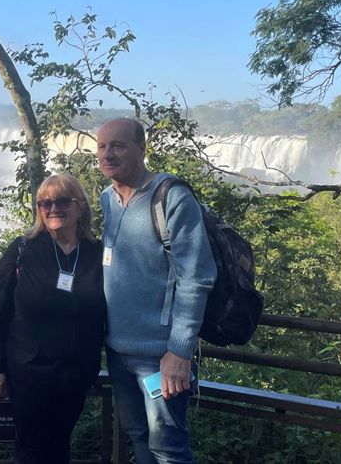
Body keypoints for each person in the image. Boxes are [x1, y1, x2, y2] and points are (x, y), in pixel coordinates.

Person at [96, 118, 216, 464]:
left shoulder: (171, 196)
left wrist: (179, 352)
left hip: (160, 357)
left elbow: (196, 277)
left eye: (117, 145)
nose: (107, 154)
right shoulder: (108, 198)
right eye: (102, 147)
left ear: (141, 149)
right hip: (118, 351)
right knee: (138, 438)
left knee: (169, 448)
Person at [0, 173, 106, 464]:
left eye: (62, 201)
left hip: (77, 373)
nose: (52, 208)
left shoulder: (97, 253)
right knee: (31, 447)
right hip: (29, 371)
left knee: (60, 443)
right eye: (44, 203)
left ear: (80, 206)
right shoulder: (23, 249)